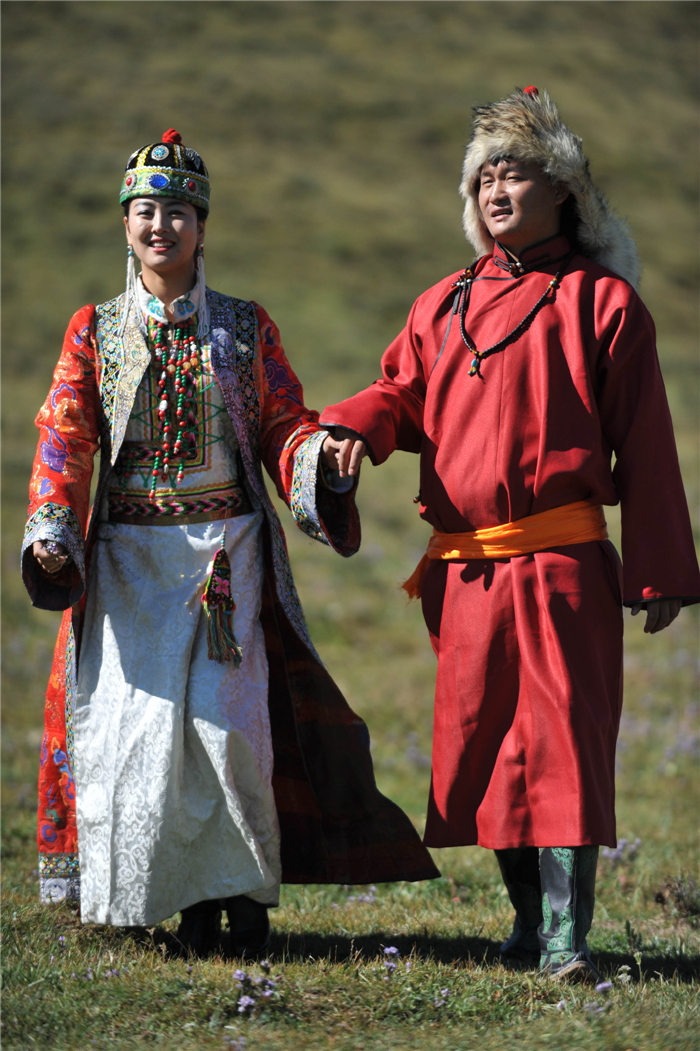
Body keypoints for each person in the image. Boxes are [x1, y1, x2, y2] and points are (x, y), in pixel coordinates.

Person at [22, 129, 438, 956]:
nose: (161, 226)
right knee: (140, 738)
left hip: (225, 561)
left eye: (178, 211)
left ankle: (242, 900)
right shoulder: (94, 331)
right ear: (126, 225)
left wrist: (319, 458)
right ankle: (172, 901)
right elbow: (64, 436)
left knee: (230, 732)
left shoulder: (245, 329)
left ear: (203, 228)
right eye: (145, 210)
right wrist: (51, 525)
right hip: (128, 566)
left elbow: (284, 421)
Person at [320, 87, 700, 981]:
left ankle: (570, 939)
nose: (496, 188)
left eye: (516, 171)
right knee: (487, 752)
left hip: (564, 565)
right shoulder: (440, 307)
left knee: (563, 748)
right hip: (470, 575)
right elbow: (398, 394)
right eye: (483, 174)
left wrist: (660, 571)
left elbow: (646, 442)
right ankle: (526, 924)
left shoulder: (605, 306)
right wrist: (347, 429)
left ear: (562, 186)